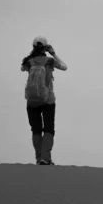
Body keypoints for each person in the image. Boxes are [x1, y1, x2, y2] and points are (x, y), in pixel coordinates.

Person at [20, 36, 68, 165]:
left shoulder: (28, 62)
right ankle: (45, 159)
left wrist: (32, 56)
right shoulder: (50, 61)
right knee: (48, 129)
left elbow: (22, 68)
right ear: (46, 47)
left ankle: (38, 158)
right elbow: (64, 67)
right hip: (48, 100)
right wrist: (53, 53)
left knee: (36, 130)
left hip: (31, 100)